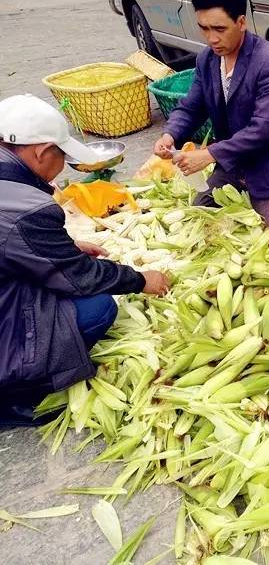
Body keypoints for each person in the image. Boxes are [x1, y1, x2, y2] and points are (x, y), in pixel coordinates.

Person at [0, 94, 171, 426]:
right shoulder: (25, 208)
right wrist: (141, 280)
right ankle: (18, 393)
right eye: (62, 155)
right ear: (41, 152)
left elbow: (11, 241)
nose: (62, 165)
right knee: (97, 308)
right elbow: (82, 278)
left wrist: (60, 246)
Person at [154, 0, 269, 226]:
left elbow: (263, 128)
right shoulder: (206, 60)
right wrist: (170, 135)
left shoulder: (268, 61)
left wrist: (209, 154)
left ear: (241, 22)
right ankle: (240, 183)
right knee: (201, 211)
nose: (211, 38)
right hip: (234, 163)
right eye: (204, 28)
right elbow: (192, 107)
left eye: (219, 29)